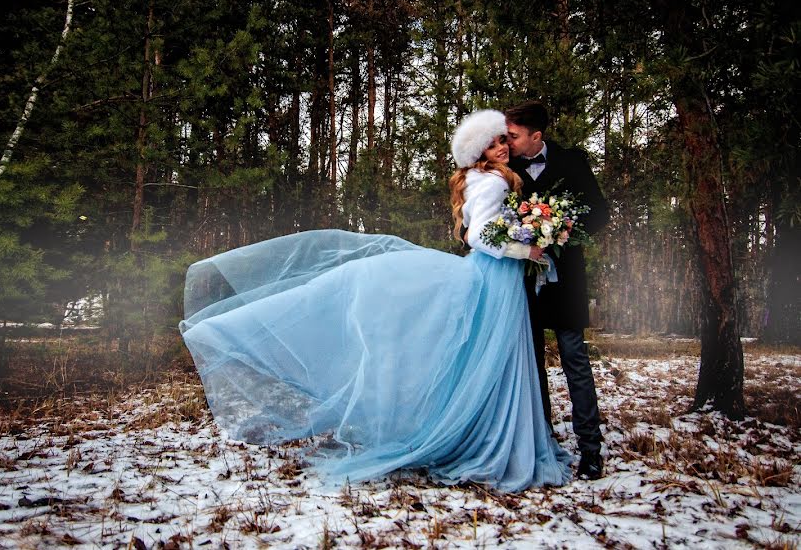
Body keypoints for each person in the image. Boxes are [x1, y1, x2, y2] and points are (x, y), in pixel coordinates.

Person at [179, 109, 570, 492]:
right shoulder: (494, 182)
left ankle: (489, 431)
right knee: (496, 358)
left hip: (496, 276)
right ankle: (493, 440)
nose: (502, 147)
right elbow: (481, 237)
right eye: (494, 143)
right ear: (479, 152)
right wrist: (526, 250)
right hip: (496, 276)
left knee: (488, 359)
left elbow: (472, 234)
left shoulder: (479, 179)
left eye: (504, 140)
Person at [505, 100, 610, 480]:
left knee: (574, 362)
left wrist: (562, 228)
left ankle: (591, 449)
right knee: (532, 367)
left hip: (566, 281)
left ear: (537, 136)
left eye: (514, 136)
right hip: (521, 282)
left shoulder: (572, 161)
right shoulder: (506, 167)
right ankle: (543, 440)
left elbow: (599, 212)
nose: (508, 142)